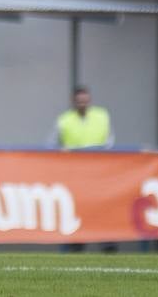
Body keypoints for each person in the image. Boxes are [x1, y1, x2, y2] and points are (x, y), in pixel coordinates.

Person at [50, 86, 116, 253]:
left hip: (99, 174)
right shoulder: (64, 120)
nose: (83, 104)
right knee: (77, 209)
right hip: (75, 175)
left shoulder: (102, 116)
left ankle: (107, 244)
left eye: (85, 101)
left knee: (103, 209)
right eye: (80, 101)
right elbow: (52, 146)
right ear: (74, 102)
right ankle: (76, 245)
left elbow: (110, 144)